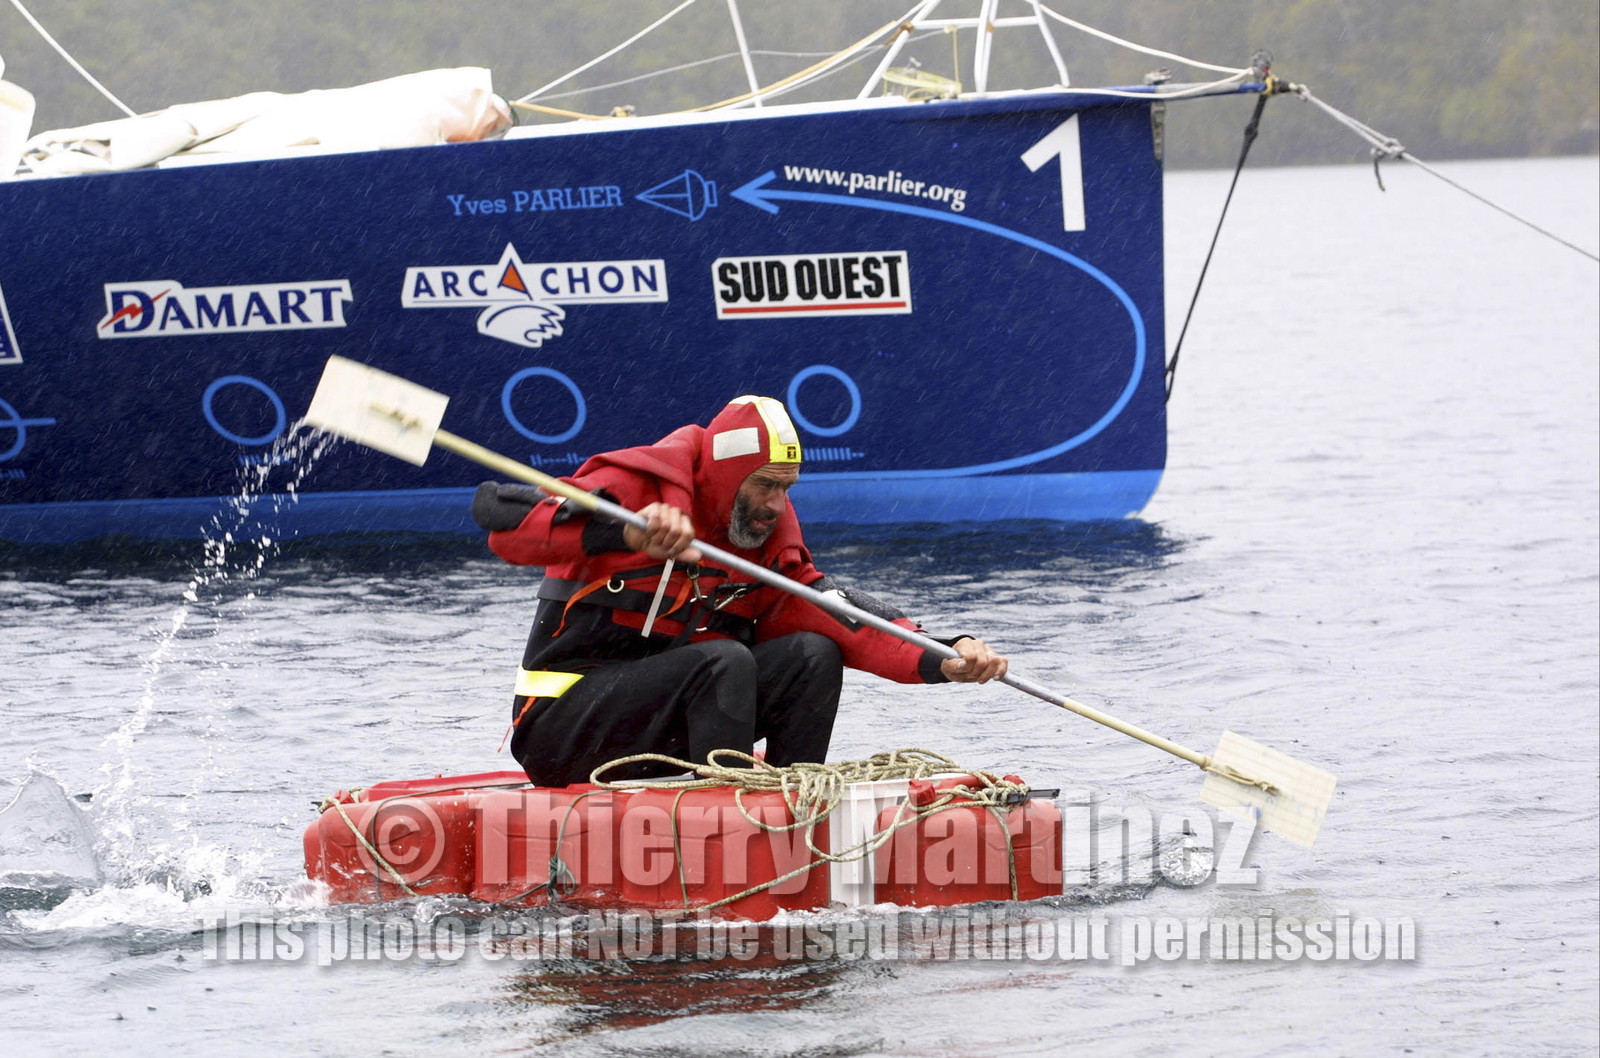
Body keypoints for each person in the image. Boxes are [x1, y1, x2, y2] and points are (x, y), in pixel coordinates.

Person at [472, 395, 1007, 786]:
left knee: (812, 654)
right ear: (728, 477)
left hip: (665, 733)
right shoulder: (634, 489)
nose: (776, 504)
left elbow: (839, 615)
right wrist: (626, 531)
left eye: (786, 488)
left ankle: (793, 801)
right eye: (766, 484)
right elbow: (501, 520)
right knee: (722, 659)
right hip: (561, 732)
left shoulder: (764, 541)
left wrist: (943, 653)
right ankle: (729, 814)